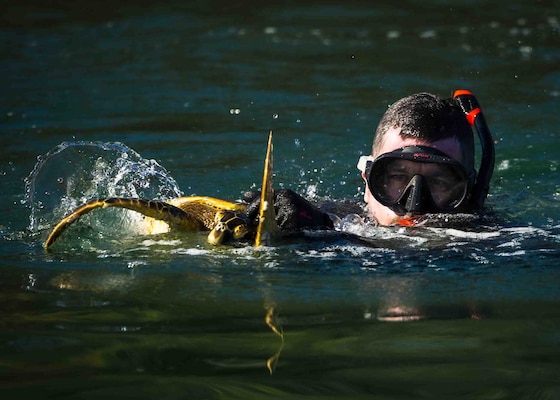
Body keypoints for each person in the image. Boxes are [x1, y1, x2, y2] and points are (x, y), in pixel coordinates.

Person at [246, 90, 495, 230]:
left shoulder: (503, 242)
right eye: (398, 177)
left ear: (468, 192)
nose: (414, 204)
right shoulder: (332, 218)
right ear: (367, 180)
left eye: (439, 181)